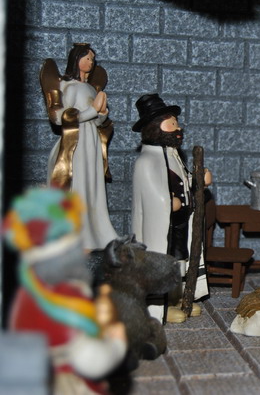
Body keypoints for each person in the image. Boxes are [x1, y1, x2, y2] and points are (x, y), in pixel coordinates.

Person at [3, 188, 127, 395]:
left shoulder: (25, 293)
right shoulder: (66, 297)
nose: (84, 252)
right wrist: (117, 343)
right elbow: (90, 361)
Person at [131, 94, 211, 323]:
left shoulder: (173, 155)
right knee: (163, 262)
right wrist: (167, 200)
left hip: (179, 223)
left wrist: (198, 180)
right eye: (172, 124)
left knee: (179, 262)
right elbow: (151, 191)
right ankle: (158, 307)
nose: (178, 128)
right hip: (162, 225)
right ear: (155, 128)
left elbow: (183, 181)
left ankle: (176, 298)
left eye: (176, 123)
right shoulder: (146, 161)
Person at [45, 43, 118, 250]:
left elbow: (96, 121)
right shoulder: (68, 86)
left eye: (92, 59)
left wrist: (101, 114)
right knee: (78, 183)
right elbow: (60, 117)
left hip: (91, 141)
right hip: (75, 142)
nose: (90, 62)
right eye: (87, 58)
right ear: (76, 60)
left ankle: (94, 231)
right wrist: (92, 111)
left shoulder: (90, 88)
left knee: (92, 184)